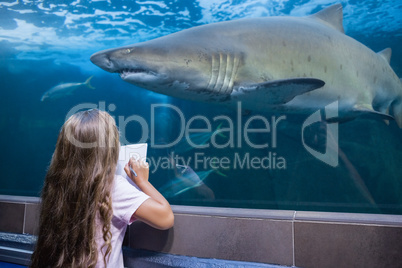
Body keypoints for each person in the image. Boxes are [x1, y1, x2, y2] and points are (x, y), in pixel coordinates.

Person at [30, 109, 174, 268]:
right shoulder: (113, 187)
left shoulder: (57, 185)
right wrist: (142, 182)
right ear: (110, 149)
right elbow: (165, 218)